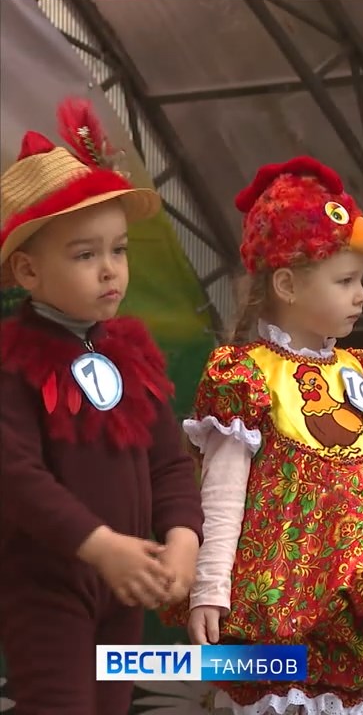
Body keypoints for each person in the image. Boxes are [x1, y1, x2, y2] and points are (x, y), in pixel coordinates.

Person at [162, 155, 363, 715]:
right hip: (272, 606)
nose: (362, 295)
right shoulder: (247, 375)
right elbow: (222, 496)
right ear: (286, 284)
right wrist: (211, 589)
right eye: (345, 281)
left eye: (361, 281)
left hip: (345, 610)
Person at [0, 99, 204, 715]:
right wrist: (99, 545)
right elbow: (14, 476)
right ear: (28, 271)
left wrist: (183, 538)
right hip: (47, 583)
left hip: (126, 585)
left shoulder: (131, 354)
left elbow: (168, 463)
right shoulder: (13, 362)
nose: (110, 270)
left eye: (119, 250)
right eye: (85, 255)